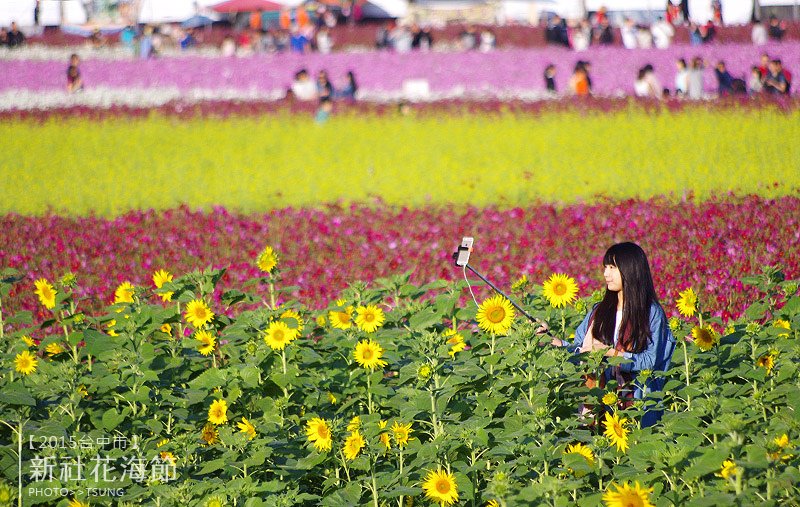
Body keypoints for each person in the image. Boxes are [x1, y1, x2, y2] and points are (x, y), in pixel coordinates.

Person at [548, 242, 676, 428]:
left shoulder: (651, 313)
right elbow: (581, 350)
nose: (606, 274)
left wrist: (610, 353)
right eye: (605, 267)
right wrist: (555, 342)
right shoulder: (598, 312)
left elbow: (650, 361)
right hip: (599, 404)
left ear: (631, 270)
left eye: (612, 267)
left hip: (638, 406)